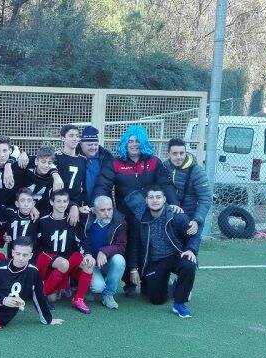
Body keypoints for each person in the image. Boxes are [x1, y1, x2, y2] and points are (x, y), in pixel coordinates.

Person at [93, 125, 178, 296]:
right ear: (125, 143)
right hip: (126, 217)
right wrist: (99, 205)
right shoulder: (115, 163)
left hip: (150, 217)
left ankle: (149, 280)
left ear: (144, 143)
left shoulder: (154, 162)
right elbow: (103, 186)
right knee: (126, 247)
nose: (134, 144)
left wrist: (175, 203)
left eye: (137, 141)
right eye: (130, 141)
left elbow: (166, 185)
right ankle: (129, 283)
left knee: (149, 247)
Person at [125, 186, 199, 318]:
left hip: (176, 255)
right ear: (146, 200)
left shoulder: (176, 216)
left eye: (158, 197)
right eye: (151, 197)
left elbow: (193, 235)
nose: (155, 200)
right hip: (156, 261)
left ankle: (179, 304)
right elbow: (134, 245)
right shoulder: (139, 219)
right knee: (155, 299)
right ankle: (176, 287)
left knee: (189, 264)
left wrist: (190, 250)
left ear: (164, 199)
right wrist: (133, 268)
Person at [35, 189, 95, 314]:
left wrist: (88, 254)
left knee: (89, 262)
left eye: (65, 201)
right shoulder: (43, 221)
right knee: (52, 297)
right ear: (51, 202)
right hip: (48, 259)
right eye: (58, 201)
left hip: (66, 260)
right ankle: (40, 296)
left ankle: (78, 299)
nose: (62, 204)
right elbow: (36, 245)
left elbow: (82, 241)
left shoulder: (72, 220)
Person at [82, 195, 127, 309]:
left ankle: (108, 295)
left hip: (106, 262)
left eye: (109, 209)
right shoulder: (86, 219)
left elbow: (121, 246)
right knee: (98, 287)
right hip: (90, 262)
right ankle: (90, 287)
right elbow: (82, 240)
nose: (107, 213)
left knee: (119, 260)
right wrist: (87, 254)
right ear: (95, 210)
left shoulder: (120, 221)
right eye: (102, 210)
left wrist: (104, 251)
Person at [163, 138, 211, 238]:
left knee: (189, 251)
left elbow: (205, 199)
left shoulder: (197, 171)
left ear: (186, 153)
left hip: (190, 218)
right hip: (167, 216)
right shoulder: (163, 168)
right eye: (175, 153)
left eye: (182, 153)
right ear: (168, 154)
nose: (179, 157)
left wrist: (197, 220)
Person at [55, 125, 90, 226]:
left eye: (77, 136)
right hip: (58, 204)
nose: (75, 139)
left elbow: (84, 186)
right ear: (62, 138)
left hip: (76, 205)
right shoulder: (57, 157)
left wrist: (79, 206)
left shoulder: (83, 160)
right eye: (71, 135)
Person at [77, 125, 114, 206]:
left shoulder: (106, 158)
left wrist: (97, 204)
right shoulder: (74, 156)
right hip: (79, 205)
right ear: (81, 144)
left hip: (101, 206)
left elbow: (105, 184)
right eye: (90, 145)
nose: (93, 147)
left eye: (96, 144)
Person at [2, 188, 39, 255]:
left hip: (30, 256)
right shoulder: (9, 213)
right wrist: (4, 235)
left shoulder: (37, 217)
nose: (26, 204)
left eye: (29, 201)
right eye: (22, 201)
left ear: (33, 203)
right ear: (17, 204)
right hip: (12, 254)